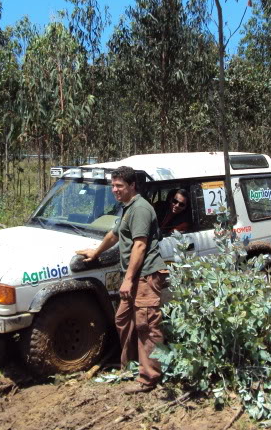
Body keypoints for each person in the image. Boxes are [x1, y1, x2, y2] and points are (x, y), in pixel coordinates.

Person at [76, 166, 168, 394]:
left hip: (145, 275)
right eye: (113, 186)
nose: (115, 190)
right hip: (134, 276)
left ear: (132, 186)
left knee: (146, 325)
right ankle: (130, 366)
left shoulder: (141, 209)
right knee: (123, 320)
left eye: (119, 186)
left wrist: (127, 280)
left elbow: (140, 244)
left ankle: (149, 378)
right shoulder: (127, 209)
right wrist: (96, 252)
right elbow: (114, 234)